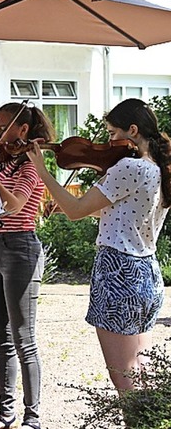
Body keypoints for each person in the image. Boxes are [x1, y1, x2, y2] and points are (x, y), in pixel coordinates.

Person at [27, 98, 169, 399]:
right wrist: (70, 204)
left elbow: (76, 210)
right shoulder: (159, 167)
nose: (108, 141)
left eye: (113, 133)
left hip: (119, 272)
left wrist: (42, 170)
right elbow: (113, 210)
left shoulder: (129, 167)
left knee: (125, 382)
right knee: (142, 376)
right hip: (147, 273)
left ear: (133, 130)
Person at [0, 102, 55, 429]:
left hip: (21, 249)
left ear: (23, 130)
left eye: (2, 128)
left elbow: (15, 206)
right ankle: (6, 414)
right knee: (2, 338)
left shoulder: (30, 166)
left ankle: (33, 417)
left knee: (24, 338)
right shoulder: (3, 162)